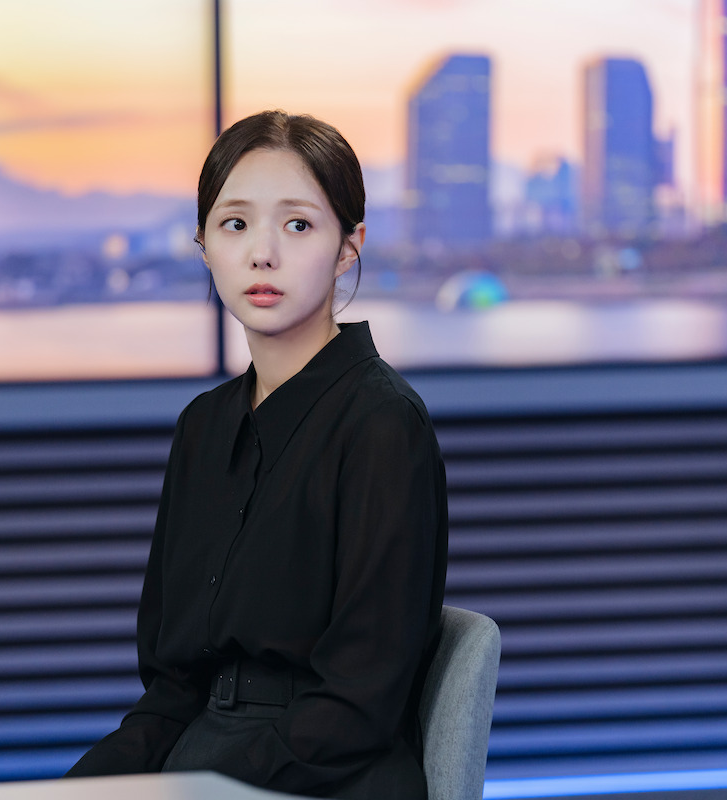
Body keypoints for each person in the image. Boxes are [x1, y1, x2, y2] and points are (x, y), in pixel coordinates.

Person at [65, 110, 449, 800]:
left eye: (298, 225)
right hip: (205, 756)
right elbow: (174, 687)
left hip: (330, 775)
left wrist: (203, 787)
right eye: (235, 224)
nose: (261, 253)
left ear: (347, 246)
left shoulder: (383, 425)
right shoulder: (202, 428)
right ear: (204, 244)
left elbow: (357, 706)